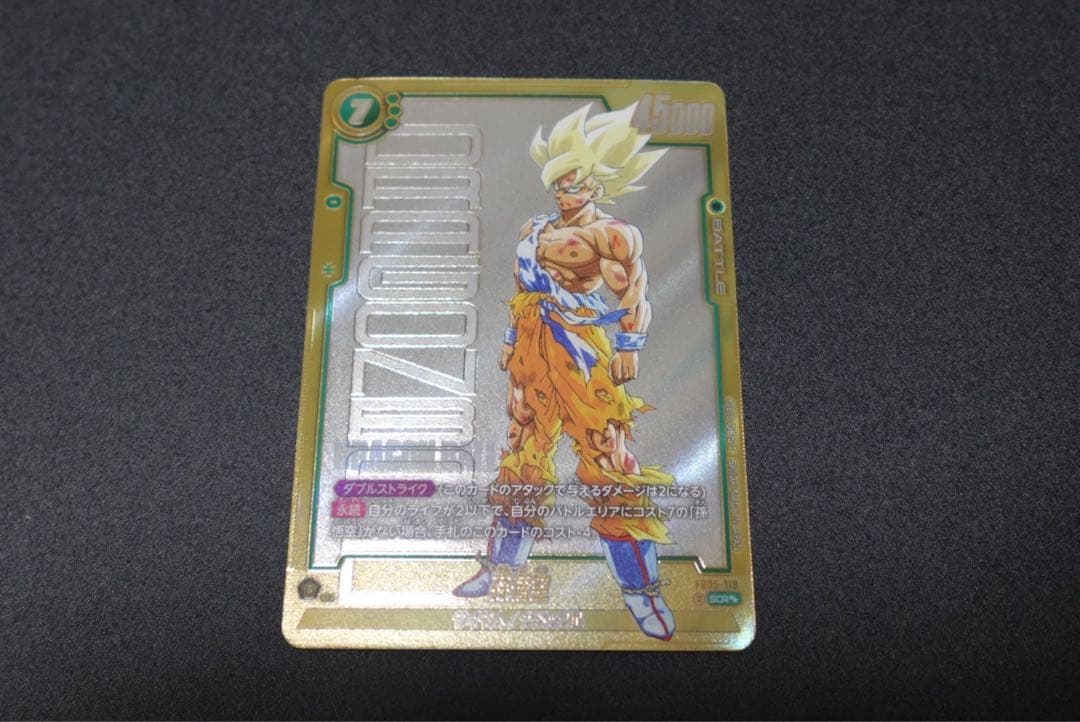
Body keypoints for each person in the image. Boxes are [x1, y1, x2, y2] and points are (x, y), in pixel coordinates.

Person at [453, 103, 676, 640]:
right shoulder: (535, 228)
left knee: (608, 459)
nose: (563, 191)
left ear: (595, 185)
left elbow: (634, 291)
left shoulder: (612, 235)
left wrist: (630, 345)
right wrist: (512, 341)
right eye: (559, 182)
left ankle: (641, 590)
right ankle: (500, 567)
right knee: (523, 454)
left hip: (581, 348)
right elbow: (521, 290)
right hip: (533, 348)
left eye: (573, 183)